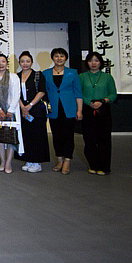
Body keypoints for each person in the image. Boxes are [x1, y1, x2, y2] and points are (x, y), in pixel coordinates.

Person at [43, 47, 83, 175]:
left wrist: (79, 110)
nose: (59, 58)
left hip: (69, 109)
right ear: (52, 58)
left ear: (66, 58)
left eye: (62, 56)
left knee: (68, 136)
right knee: (56, 136)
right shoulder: (46, 73)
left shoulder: (73, 72)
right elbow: (43, 92)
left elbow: (78, 93)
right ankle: (59, 159)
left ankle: (67, 160)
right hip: (53, 109)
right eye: (56, 56)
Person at [80, 51, 117, 175]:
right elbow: (79, 93)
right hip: (87, 109)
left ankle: (104, 167)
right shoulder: (82, 77)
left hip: (103, 110)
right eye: (91, 61)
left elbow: (113, 94)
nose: (93, 63)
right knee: (89, 139)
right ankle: (93, 165)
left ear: (100, 62)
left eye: (96, 60)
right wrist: (89, 102)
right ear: (87, 63)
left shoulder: (107, 77)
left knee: (104, 139)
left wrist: (103, 101)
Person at [15, 51, 50, 173]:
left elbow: (41, 91)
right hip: (22, 109)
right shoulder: (16, 76)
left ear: (32, 62)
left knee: (37, 135)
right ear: (19, 63)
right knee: (25, 135)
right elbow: (15, 93)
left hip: (36, 109)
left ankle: (37, 162)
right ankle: (29, 159)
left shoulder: (38, 75)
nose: (25, 64)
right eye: (22, 61)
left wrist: (29, 105)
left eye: (28, 61)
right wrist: (22, 107)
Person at [0, 54, 23, 174]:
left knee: (10, 137)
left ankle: (8, 162)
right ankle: (2, 161)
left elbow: (17, 94)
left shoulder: (14, 77)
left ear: (7, 63)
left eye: (3, 61)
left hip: (11, 112)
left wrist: (10, 110)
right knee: (0, 137)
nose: (1, 64)